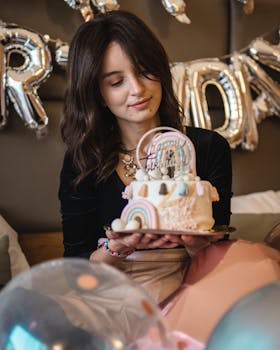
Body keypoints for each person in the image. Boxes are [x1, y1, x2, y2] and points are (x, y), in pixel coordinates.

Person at [58, 10, 280, 343]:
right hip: (114, 296)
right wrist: (117, 248)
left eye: (145, 71)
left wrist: (195, 244)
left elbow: (215, 237)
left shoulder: (206, 148)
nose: (137, 89)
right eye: (117, 81)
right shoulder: (82, 162)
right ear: (97, 93)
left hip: (193, 283)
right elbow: (76, 265)